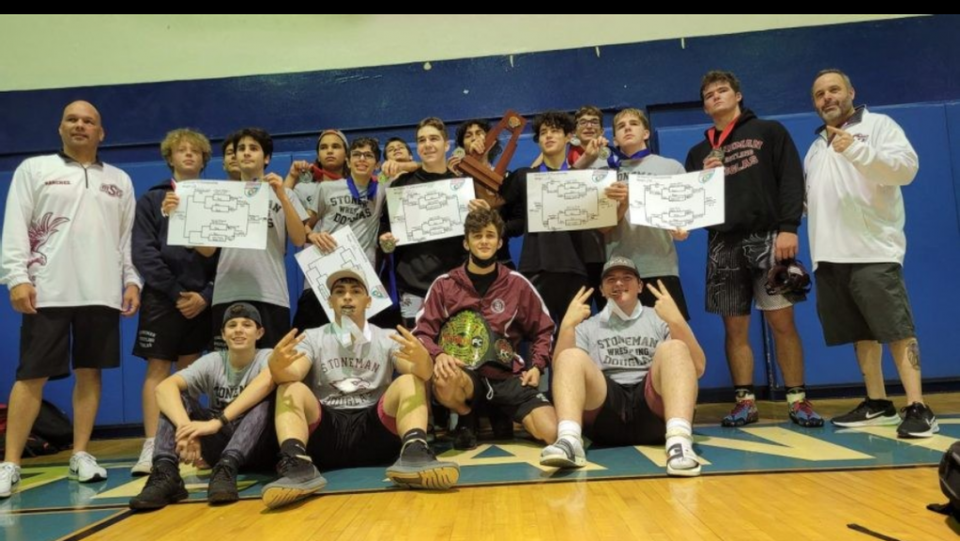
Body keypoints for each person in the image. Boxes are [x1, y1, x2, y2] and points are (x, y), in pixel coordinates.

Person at [0, 100, 142, 498]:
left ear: (102, 133)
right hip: (48, 288)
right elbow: (15, 226)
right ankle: (10, 463)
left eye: (89, 121)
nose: (80, 125)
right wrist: (16, 277)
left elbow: (125, 240)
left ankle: (80, 454)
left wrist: (132, 281)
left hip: (100, 292)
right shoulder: (35, 169)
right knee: (31, 375)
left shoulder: (120, 180)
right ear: (60, 128)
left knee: (90, 371)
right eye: (72, 120)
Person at [685, 70, 822, 428]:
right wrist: (703, 179)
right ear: (703, 106)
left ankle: (798, 399)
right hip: (722, 244)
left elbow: (791, 180)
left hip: (770, 238)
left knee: (782, 321)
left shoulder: (770, 131)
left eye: (722, 90)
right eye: (709, 94)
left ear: (738, 95)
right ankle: (745, 401)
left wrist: (789, 228)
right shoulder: (698, 152)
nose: (716, 97)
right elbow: (691, 206)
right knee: (735, 328)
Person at [803, 69, 935, 437]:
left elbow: (906, 170)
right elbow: (813, 200)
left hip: (874, 251)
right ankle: (877, 402)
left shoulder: (879, 126)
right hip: (829, 255)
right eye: (819, 94)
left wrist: (858, 149)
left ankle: (917, 405)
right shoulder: (816, 147)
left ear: (850, 92)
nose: (827, 98)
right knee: (861, 332)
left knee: (895, 328)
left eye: (833, 90)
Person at [260, 269, 459, 509]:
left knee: (410, 380)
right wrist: (277, 367)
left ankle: (415, 452)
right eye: (339, 292)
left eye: (355, 292)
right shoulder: (313, 337)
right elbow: (291, 374)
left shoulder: (387, 337)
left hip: (374, 430)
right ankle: (297, 463)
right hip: (327, 432)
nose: (347, 297)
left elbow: (423, 373)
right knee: (289, 388)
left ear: (368, 301)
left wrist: (422, 360)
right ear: (330, 301)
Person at [540, 257, 705, 476]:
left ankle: (679, 443)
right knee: (570, 356)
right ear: (601, 289)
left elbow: (698, 368)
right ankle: (569, 441)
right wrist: (568, 326)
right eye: (611, 279)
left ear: (639, 286)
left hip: (652, 409)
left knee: (674, 348)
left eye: (626, 277)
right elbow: (562, 369)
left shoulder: (660, 318)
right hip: (606, 411)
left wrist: (677, 321)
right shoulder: (588, 325)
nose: (618, 283)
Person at [413, 209, 557, 449]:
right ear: (466, 243)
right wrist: (439, 355)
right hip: (464, 376)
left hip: (507, 374)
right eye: (477, 236)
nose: (484, 241)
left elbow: (544, 329)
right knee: (444, 379)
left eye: (490, 235)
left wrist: (537, 366)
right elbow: (421, 332)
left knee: (551, 433)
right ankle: (465, 413)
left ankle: (500, 411)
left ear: (500, 242)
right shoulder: (445, 285)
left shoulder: (517, 284)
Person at [164, 128, 309, 349]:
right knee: (228, 371)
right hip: (227, 293)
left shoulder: (285, 194)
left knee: (271, 368)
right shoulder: (220, 194)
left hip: (271, 294)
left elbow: (299, 239)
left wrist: (281, 195)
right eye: (241, 149)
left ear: (267, 157)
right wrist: (180, 217)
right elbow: (208, 250)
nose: (246, 153)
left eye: (253, 148)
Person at [129, 303, 279, 510]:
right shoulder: (213, 361)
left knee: (265, 402)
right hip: (220, 441)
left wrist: (217, 422)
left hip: (259, 445)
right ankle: (165, 473)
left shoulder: (268, 356)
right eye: (232, 325)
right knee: (176, 399)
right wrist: (186, 429)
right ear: (223, 334)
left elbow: (267, 382)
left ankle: (227, 467)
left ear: (259, 332)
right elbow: (163, 388)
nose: (238, 330)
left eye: (247, 325)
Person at [130, 128, 219, 475]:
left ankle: (184, 441)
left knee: (188, 373)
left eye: (195, 152)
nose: (188, 156)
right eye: (181, 151)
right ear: (170, 158)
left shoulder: (216, 200)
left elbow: (222, 255)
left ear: (203, 160)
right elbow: (144, 252)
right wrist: (174, 292)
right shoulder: (153, 200)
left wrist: (205, 296)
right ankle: (152, 445)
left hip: (200, 300)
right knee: (157, 369)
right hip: (164, 299)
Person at [502, 111, 606, 327]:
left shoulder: (583, 180)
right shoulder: (523, 177)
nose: (548, 136)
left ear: (569, 137)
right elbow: (504, 215)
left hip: (575, 267)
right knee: (538, 340)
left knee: (576, 340)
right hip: (535, 269)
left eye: (555, 131)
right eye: (543, 132)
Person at [586, 108, 692, 320]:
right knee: (625, 341)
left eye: (633, 123)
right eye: (621, 126)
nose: (627, 128)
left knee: (672, 339)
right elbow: (603, 227)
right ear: (614, 138)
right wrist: (623, 205)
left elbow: (684, 220)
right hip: (619, 268)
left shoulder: (671, 167)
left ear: (646, 133)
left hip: (661, 266)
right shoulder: (601, 170)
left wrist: (682, 232)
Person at [379, 118, 472, 327]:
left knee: (453, 352)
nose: (427, 144)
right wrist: (386, 240)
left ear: (446, 145)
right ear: (417, 147)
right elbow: (384, 233)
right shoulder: (401, 184)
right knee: (415, 350)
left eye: (434, 139)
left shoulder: (462, 185)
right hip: (410, 287)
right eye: (421, 140)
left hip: (453, 285)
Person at [291, 137, 387, 331]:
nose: (362, 159)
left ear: (377, 164)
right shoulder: (326, 188)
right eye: (356, 155)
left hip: (360, 281)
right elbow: (304, 226)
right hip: (324, 275)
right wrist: (312, 235)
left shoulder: (383, 190)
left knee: (353, 347)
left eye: (368, 156)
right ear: (348, 161)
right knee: (306, 341)